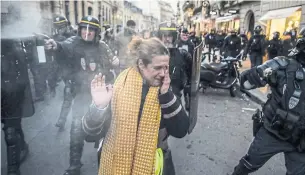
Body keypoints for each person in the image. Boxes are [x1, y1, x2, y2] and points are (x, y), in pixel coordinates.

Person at [82, 37, 190, 175]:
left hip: (155, 167)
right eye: (157, 68)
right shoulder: (119, 87)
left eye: (166, 67)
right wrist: (98, 108)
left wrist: (166, 95)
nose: (163, 73)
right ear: (141, 64)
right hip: (114, 163)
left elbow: (180, 131)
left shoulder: (165, 87)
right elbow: (89, 135)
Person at [44, 15, 119, 175]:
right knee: (77, 128)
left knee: (105, 130)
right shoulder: (73, 42)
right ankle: (74, 166)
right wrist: (55, 45)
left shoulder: (103, 46)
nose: (87, 32)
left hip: (102, 93)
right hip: (82, 93)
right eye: (84, 28)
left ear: (96, 32)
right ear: (79, 30)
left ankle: (105, 166)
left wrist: (115, 61)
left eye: (91, 30)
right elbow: (62, 46)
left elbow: (114, 60)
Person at [231, 29, 305, 175]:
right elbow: (245, 82)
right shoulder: (283, 65)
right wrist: (264, 75)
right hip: (273, 132)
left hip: (301, 141)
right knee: (248, 164)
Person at [2, 38, 35, 175]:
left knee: (10, 131)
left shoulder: (13, 44)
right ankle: (22, 145)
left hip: (11, 90)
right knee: (10, 126)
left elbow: (28, 61)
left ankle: (13, 170)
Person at [158, 22, 193, 111]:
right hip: (156, 100)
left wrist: (187, 86)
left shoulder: (182, 54)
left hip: (175, 99)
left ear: (174, 37)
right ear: (160, 37)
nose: (167, 39)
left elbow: (190, 75)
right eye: (164, 36)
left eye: (169, 36)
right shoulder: (153, 54)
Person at [52, 15, 76, 129]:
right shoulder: (55, 38)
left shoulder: (74, 36)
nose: (59, 29)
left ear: (66, 26)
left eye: (61, 26)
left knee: (72, 96)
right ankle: (62, 120)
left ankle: (63, 120)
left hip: (77, 70)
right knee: (68, 95)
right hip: (65, 72)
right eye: (57, 27)